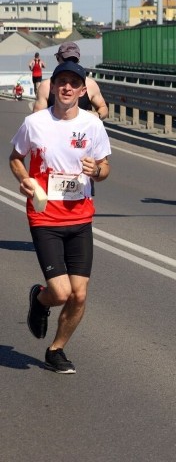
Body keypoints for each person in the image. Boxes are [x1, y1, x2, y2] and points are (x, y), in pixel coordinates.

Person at [10, 61, 112, 374]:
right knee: (61, 292)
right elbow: (16, 157)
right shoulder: (34, 123)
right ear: (53, 87)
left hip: (80, 216)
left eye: (74, 83)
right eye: (62, 82)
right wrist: (25, 178)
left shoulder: (93, 125)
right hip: (45, 218)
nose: (67, 87)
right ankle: (41, 301)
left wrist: (98, 171)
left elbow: (105, 168)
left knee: (79, 294)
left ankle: (56, 350)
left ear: (83, 91)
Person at [33, 41, 109, 120]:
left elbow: (103, 108)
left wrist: (97, 115)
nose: (70, 63)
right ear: (58, 58)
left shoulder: (89, 84)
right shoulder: (46, 86)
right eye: (67, 59)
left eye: (74, 60)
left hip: (82, 131)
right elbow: (37, 117)